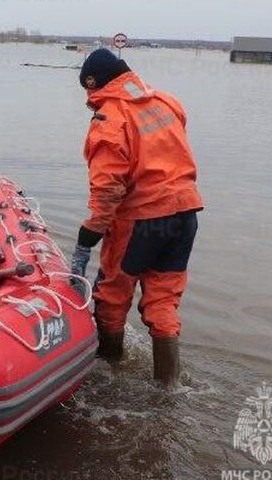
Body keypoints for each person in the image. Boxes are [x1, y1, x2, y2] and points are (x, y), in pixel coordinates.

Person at [68, 48, 203, 385]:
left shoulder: (109, 120)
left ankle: (108, 374)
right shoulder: (167, 102)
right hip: (185, 215)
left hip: (141, 220)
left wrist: (91, 232)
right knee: (163, 300)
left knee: (112, 297)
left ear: (92, 83)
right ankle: (168, 388)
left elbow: (108, 187)